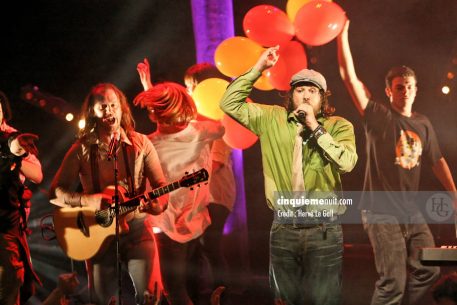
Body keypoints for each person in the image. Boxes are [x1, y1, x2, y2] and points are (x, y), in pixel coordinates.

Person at [220, 47, 358, 305]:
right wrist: (258, 68)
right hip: (284, 227)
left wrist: (315, 128)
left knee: (324, 300)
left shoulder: (338, 125)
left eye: (312, 91)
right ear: (291, 94)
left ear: (322, 98)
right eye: (300, 89)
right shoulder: (271, 118)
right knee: (284, 301)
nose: (306, 95)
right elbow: (229, 103)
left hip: (324, 228)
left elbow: (347, 163)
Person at [337, 20, 457, 305]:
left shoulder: (423, 123)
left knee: (429, 269)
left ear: (416, 90)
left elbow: (437, 159)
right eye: (399, 87)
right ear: (389, 92)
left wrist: (453, 193)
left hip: (411, 212)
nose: (405, 91)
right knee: (393, 283)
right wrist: (342, 35)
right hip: (380, 213)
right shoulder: (379, 117)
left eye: (409, 87)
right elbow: (348, 78)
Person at [49, 83, 169, 305]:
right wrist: (92, 200)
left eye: (114, 105)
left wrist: (158, 204)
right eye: (103, 107)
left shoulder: (141, 143)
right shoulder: (81, 148)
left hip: (137, 229)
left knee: (151, 297)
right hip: (97, 233)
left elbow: (161, 184)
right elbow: (55, 192)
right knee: (103, 300)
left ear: (122, 108)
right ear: (92, 112)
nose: (110, 111)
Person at [133, 78, 224, 305]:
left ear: (154, 113)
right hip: (195, 223)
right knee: (190, 289)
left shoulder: (149, 145)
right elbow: (220, 126)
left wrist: (151, 91)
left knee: (173, 291)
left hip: (165, 226)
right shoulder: (201, 131)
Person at [0, 90, 43, 305]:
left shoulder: (11, 137)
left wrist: (17, 153)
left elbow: (37, 175)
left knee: (11, 279)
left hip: (7, 225)